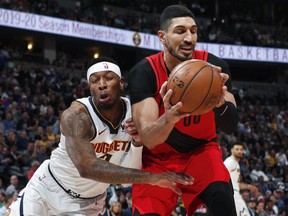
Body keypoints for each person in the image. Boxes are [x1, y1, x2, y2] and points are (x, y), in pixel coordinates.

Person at [9, 57, 193, 215]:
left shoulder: (135, 113)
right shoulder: (76, 115)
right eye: (95, 80)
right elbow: (87, 168)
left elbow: (128, 180)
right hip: (47, 190)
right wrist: (152, 178)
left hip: (89, 204)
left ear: (121, 83)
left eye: (108, 78)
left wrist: (138, 143)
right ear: (90, 87)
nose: (102, 84)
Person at [128, 4, 239, 216]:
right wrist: (169, 118)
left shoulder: (215, 67)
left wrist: (220, 104)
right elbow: (149, 139)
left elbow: (231, 126)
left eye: (193, 31)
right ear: (162, 36)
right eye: (180, 31)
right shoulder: (144, 73)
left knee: (222, 200)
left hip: (201, 152)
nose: (189, 38)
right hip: (157, 160)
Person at [224, 142, 259, 216]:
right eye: (237, 149)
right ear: (231, 150)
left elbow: (237, 184)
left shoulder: (236, 163)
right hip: (232, 194)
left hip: (234, 192)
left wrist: (249, 187)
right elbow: (221, 175)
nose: (239, 151)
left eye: (241, 149)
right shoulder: (230, 161)